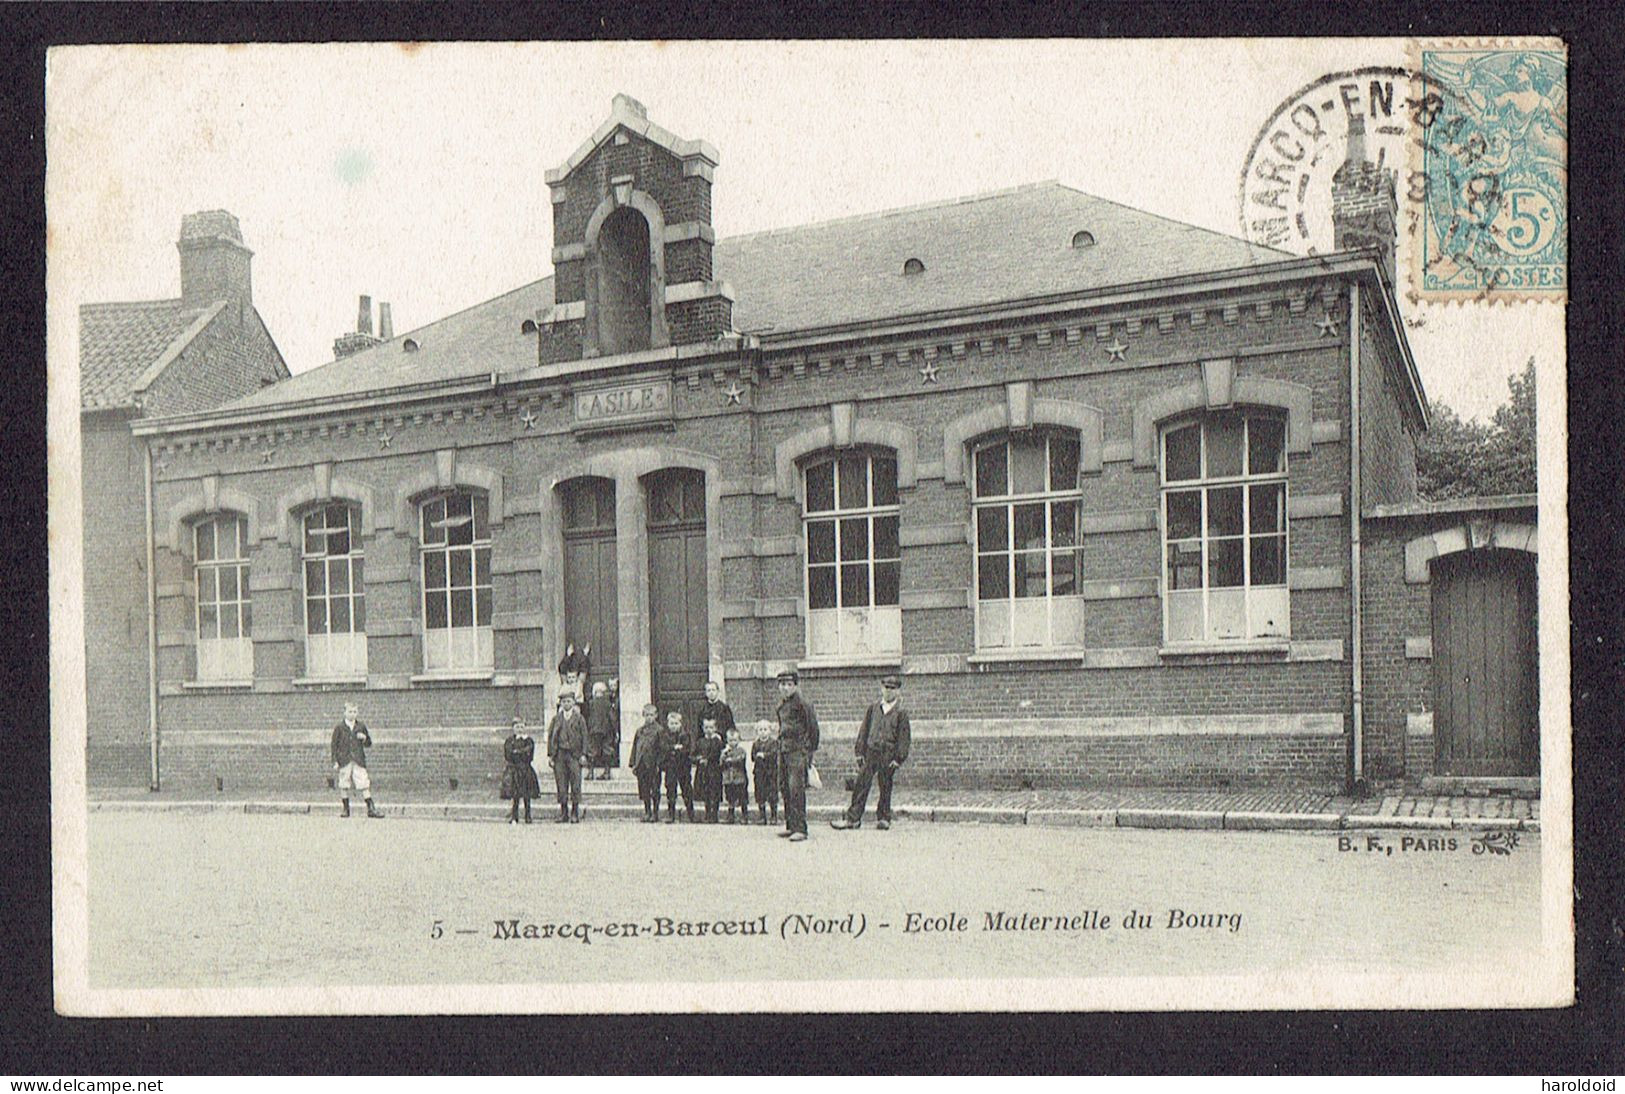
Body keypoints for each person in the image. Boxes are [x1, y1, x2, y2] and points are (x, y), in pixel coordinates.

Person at [830, 674, 912, 831]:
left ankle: (883, 818)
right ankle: (853, 819)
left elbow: (904, 738)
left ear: (898, 691)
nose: (889, 692)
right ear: (881, 689)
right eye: (886, 688)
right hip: (871, 752)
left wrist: (899, 758)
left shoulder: (901, 713)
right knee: (861, 784)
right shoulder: (873, 708)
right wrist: (859, 751)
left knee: (885, 786)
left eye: (892, 689)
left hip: (888, 754)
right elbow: (864, 730)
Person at [774, 670, 819, 842]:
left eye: (789, 685)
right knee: (785, 787)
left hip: (798, 752)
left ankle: (801, 828)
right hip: (784, 751)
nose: (785, 688)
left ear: (795, 686)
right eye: (782, 684)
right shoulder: (781, 706)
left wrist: (808, 753)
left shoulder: (803, 704)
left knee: (796, 790)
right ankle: (791, 825)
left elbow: (813, 730)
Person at [330, 702, 382, 819]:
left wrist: (364, 738)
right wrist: (335, 760)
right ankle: (346, 808)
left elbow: (369, 743)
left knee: (363, 782)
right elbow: (334, 745)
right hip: (345, 759)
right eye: (350, 712)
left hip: (358, 759)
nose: (352, 714)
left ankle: (371, 808)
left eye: (354, 712)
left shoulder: (361, 726)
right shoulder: (339, 728)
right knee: (344, 783)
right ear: (344, 713)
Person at [547, 692, 587, 823]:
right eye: (564, 702)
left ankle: (575, 813)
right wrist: (551, 756)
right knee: (561, 784)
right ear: (561, 704)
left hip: (574, 755)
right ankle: (564, 813)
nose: (566, 704)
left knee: (575, 784)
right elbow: (550, 737)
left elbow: (585, 737)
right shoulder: (556, 719)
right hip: (560, 755)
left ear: (574, 703)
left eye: (569, 701)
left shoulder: (579, 718)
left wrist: (583, 754)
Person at [628, 703, 665, 823]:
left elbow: (662, 749)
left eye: (651, 715)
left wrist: (660, 764)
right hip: (642, 764)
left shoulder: (659, 730)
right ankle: (647, 811)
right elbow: (635, 747)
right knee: (644, 789)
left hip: (653, 764)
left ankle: (655, 812)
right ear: (643, 715)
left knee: (655, 789)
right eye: (647, 715)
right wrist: (633, 762)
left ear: (656, 716)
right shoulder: (640, 731)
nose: (649, 717)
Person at [501, 716, 540, 824]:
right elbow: (508, 755)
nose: (519, 729)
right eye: (517, 727)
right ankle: (514, 816)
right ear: (513, 728)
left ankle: (528, 816)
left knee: (527, 794)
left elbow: (529, 754)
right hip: (514, 770)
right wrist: (519, 753)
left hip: (526, 769)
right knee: (515, 795)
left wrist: (517, 752)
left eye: (521, 726)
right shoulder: (510, 741)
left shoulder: (528, 740)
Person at [659, 709, 696, 823]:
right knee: (671, 790)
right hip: (671, 767)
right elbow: (664, 748)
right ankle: (671, 814)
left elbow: (686, 749)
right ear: (667, 724)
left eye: (676, 723)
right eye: (671, 723)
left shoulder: (685, 735)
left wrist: (674, 749)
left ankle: (691, 814)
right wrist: (674, 748)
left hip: (683, 767)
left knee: (687, 790)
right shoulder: (665, 735)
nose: (674, 726)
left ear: (680, 724)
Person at [692, 716, 724, 824]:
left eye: (711, 727)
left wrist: (708, 759)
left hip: (714, 770)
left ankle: (714, 814)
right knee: (705, 792)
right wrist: (698, 759)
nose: (709, 730)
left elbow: (717, 754)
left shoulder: (717, 741)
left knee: (714, 792)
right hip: (703, 771)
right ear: (703, 728)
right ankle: (707, 813)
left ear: (715, 728)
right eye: (706, 727)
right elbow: (693, 755)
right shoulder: (700, 741)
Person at [750, 719, 781, 826]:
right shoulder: (756, 744)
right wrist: (757, 755)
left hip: (770, 772)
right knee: (760, 793)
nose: (763, 732)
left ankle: (774, 815)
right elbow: (752, 757)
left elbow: (774, 754)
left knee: (772, 793)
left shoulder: (773, 743)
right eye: (760, 730)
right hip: (759, 773)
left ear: (770, 731)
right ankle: (762, 816)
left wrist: (765, 755)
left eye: (765, 729)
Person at [585, 680, 615, 780]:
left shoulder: (591, 703)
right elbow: (612, 717)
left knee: (592, 750)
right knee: (606, 749)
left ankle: (590, 772)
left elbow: (588, 717)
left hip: (593, 730)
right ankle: (606, 772)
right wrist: (615, 730)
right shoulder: (608, 703)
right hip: (606, 730)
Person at [721, 727, 750, 824]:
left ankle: (744, 816)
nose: (732, 742)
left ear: (738, 740)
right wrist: (724, 756)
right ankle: (730, 816)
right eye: (730, 740)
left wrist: (731, 760)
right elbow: (721, 763)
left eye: (734, 740)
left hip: (739, 779)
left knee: (742, 798)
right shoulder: (725, 752)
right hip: (729, 779)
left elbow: (740, 760)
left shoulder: (741, 750)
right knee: (730, 798)